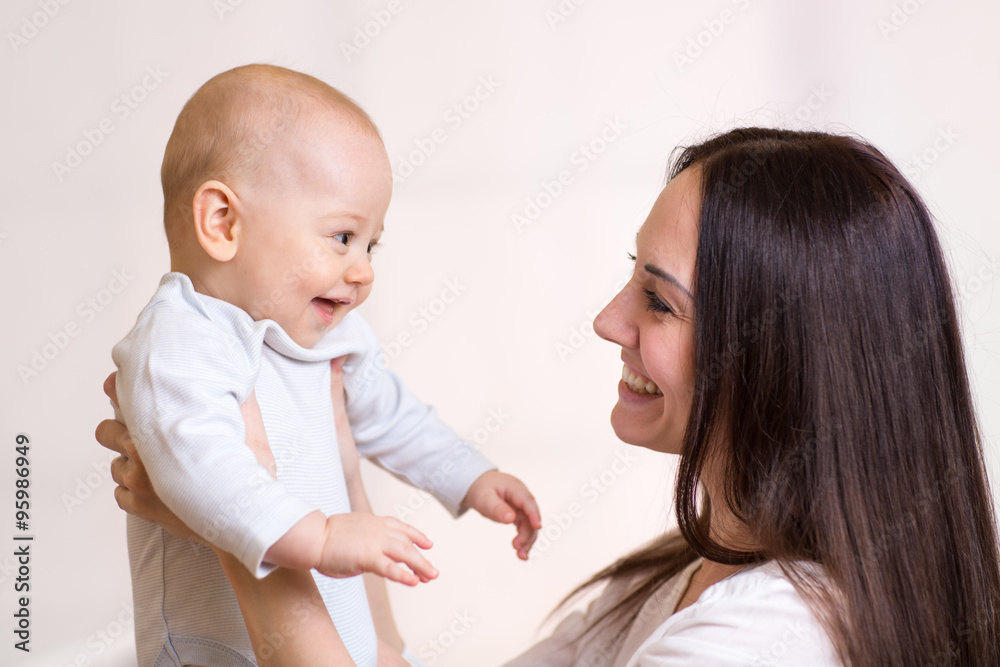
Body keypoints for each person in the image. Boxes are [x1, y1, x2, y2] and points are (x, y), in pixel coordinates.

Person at [98, 127, 1000, 666]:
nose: (609, 321)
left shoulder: (761, 644)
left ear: (781, 357)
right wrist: (329, 465)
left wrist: (243, 530)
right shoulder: (681, 575)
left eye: (658, 300)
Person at [109, 64, 541, 667]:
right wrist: (325, 536)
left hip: (328, 626)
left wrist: (469, 474)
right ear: (222, 222)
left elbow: (393, 415)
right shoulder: (181, 338)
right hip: (213, 646)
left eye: (372, 244)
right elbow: (200, 467)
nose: (363, 268)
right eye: (342, 237)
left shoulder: (331, 335)